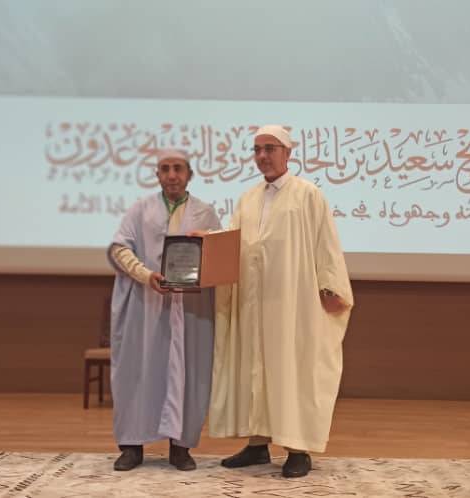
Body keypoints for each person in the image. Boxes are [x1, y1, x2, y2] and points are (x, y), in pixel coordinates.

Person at [207, 124, 353, 478]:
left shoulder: (308, 195)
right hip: (254, 303)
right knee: (255, 369)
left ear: (287, 153)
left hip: (293, 304)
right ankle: (258, 444)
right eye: (257, 149)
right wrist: (206, 242)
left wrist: (332, 287)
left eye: (269, 148)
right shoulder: (248, 199)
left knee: (292, 370)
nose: (262, 156)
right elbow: (235, 243)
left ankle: (298, 449)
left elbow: (326, 244)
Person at [106, 148, 221, 471]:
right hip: (146, 306)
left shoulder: (205, 213)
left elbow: (220, 254)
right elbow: (119, 248)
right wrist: (146, 275)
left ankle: (180, 448)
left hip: (191, 309)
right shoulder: (140, 210)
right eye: (165, 169)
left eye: (178, 169)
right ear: (157, 175)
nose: (172, 175)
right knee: (137, 372)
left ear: (189, 175)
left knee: (188, 373)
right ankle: (131, 447)